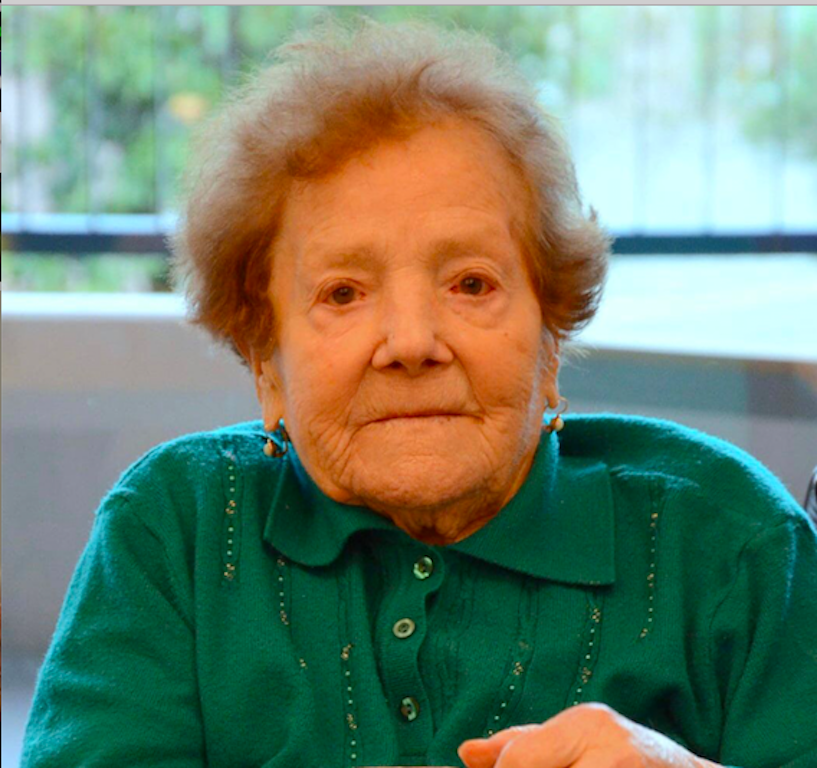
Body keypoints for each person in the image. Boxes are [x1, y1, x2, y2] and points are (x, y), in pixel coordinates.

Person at [21, 16, 817, 768]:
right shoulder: (179, 530)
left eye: (470, 284)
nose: (410, 343)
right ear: (266, 364)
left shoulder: (732, 543)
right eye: (342, 293)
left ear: (549, 339)